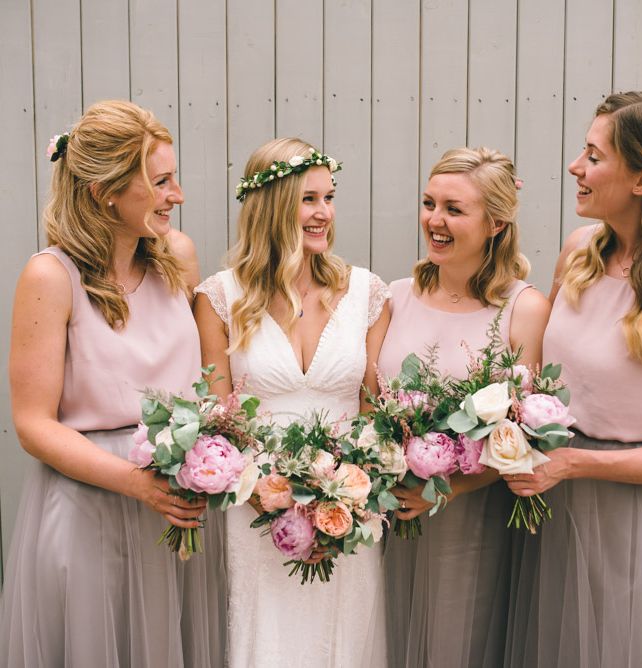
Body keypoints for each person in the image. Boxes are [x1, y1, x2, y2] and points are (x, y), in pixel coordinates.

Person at [506, 91, 642, 666]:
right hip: (555, 509)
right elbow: (535, 375)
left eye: (594, 156)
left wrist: (578, 463)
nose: (576, 167)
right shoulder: (579, 250)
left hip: (633, 522)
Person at [0, 100, 226, 667]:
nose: (178, 194)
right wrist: (136, 483)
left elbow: (209, 380)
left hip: (175, 505)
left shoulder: (177, 256)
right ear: (107, 192)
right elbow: (32, 424)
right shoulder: (51, 276)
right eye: (161, 182)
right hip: (91, 508)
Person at [194, 137, 391, 667]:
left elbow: (374, 409)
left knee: (344, 639)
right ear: (273, 205)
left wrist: (348, 495)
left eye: (329, 198)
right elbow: (218, 417)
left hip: (348, 507)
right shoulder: (220, 297)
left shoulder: (366, 293)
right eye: (308, 199)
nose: (323, 213)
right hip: (256, 509)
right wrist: (261, 490)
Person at [378, 147, 550, 667]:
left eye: (454, 209)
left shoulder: (525, 308)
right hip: (393, 510)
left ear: (495, 222)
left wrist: (449, 489)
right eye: (429, 203)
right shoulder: (393, 297)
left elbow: (529, 432)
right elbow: (368, 404)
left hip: (477, 517)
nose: (434, 220)